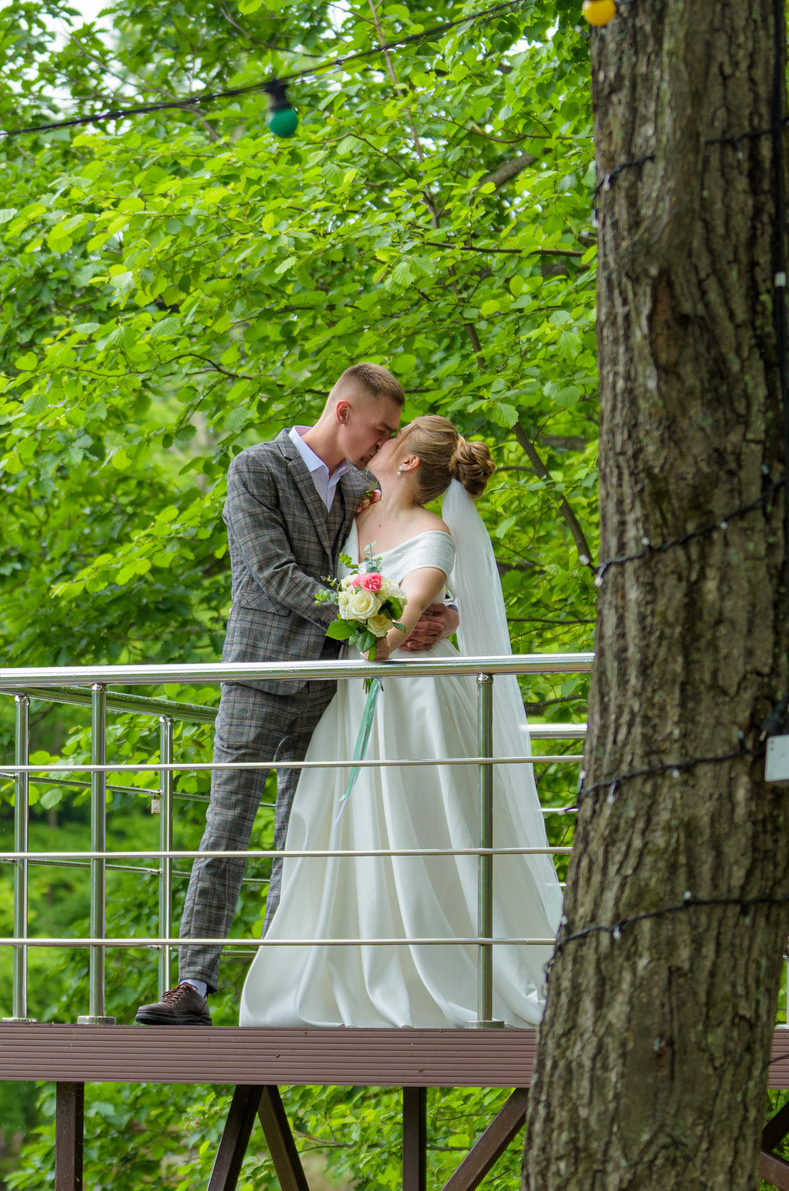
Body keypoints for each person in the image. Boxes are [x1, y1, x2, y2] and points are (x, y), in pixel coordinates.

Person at [133, 364, 454, 1027]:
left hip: (329, 687)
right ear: (342, 411)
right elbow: (274, 573)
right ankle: (192, 982)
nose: (386, 442)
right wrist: (374, 613)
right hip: (257, 676)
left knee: (299, 836)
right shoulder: (257, 469)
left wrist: (442, 612)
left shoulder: (363, 488)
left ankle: (275, 986)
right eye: (380, 428)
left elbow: (407, 548)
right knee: (227, 828)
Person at [233, 415, 563, 1027]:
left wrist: (400, 625)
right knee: (348, 827)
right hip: (352, 695)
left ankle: (445, 966)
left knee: (428, 821)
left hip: (416, 702)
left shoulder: (435, 535)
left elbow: (409, 610)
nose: (380, 443)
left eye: (393, 437)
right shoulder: (356, 505)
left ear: (410, 461)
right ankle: (356, 966)